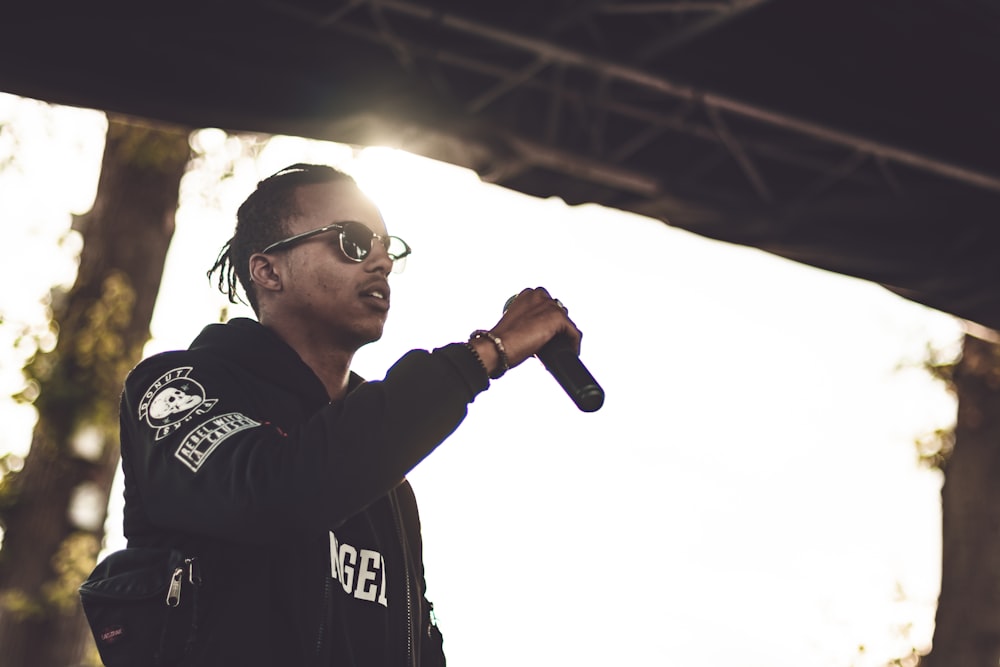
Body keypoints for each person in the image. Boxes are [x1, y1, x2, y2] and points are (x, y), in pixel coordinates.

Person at [114, 163, 582, 666]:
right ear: (269, 270)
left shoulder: (384, 482)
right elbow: (276, 493)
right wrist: (485, 353)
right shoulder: (178, 386)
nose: (380, 260)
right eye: (353, 240)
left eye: (386, 245)